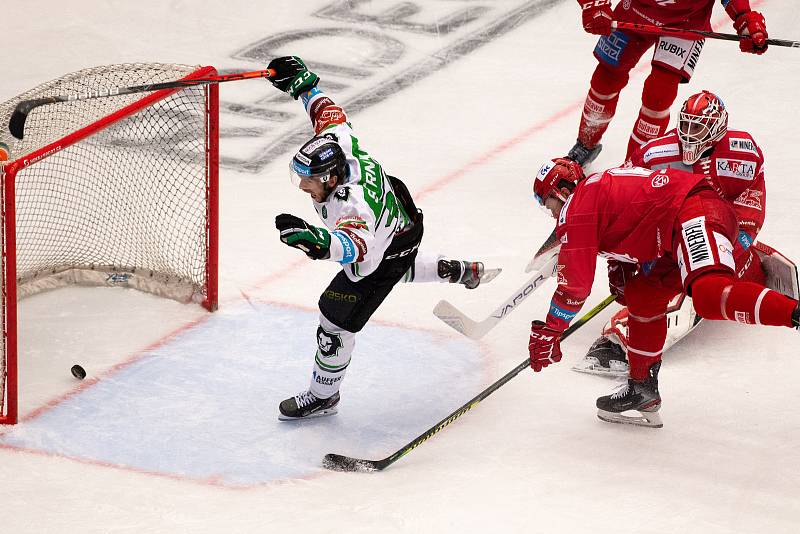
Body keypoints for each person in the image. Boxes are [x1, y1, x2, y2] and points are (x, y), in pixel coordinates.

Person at [266, 56, 499, 420]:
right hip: (402, 220)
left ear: (330, 178)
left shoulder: (353, 208)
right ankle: (456, 270)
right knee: (389, 269)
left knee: (335, 319)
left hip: (382, 236)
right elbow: (328, 113)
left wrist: (317, 241)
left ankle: (323, 396)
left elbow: (352, 246)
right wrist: (303, 86)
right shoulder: (339, 142)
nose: (302, 186)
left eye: (308, 179)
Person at [527, 158, 799, 427]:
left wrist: (552, 329)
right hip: (678, 226)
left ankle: (794, 314)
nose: (551, 214)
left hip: (692, 214)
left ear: (560, 191)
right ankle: (642, 389)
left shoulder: (577, 207)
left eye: (548, 204)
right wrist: (618, 265)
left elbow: (575, 285)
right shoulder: (595, 191)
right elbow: (633, 212)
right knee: (644, 295)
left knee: (708, 295)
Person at [573, 90, 795, 376]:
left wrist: (738, 241)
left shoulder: (743, 152)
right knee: (667, 285)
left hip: (718, 229)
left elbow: (751, 200)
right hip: (666, 236)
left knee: (708, 283)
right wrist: (632, 254)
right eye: (686, 124)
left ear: (716, 128)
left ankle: (626, 344)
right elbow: (624, 194)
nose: (689, 133)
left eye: (698, 126)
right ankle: (621, 340)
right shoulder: (655, 153)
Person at [569, 0, 769, 167]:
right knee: (605, 79)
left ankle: (636, 166)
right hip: (636, 9)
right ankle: (585, 145)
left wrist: (744, 18)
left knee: (658, 95)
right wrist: (592, 4)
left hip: (686, 23)